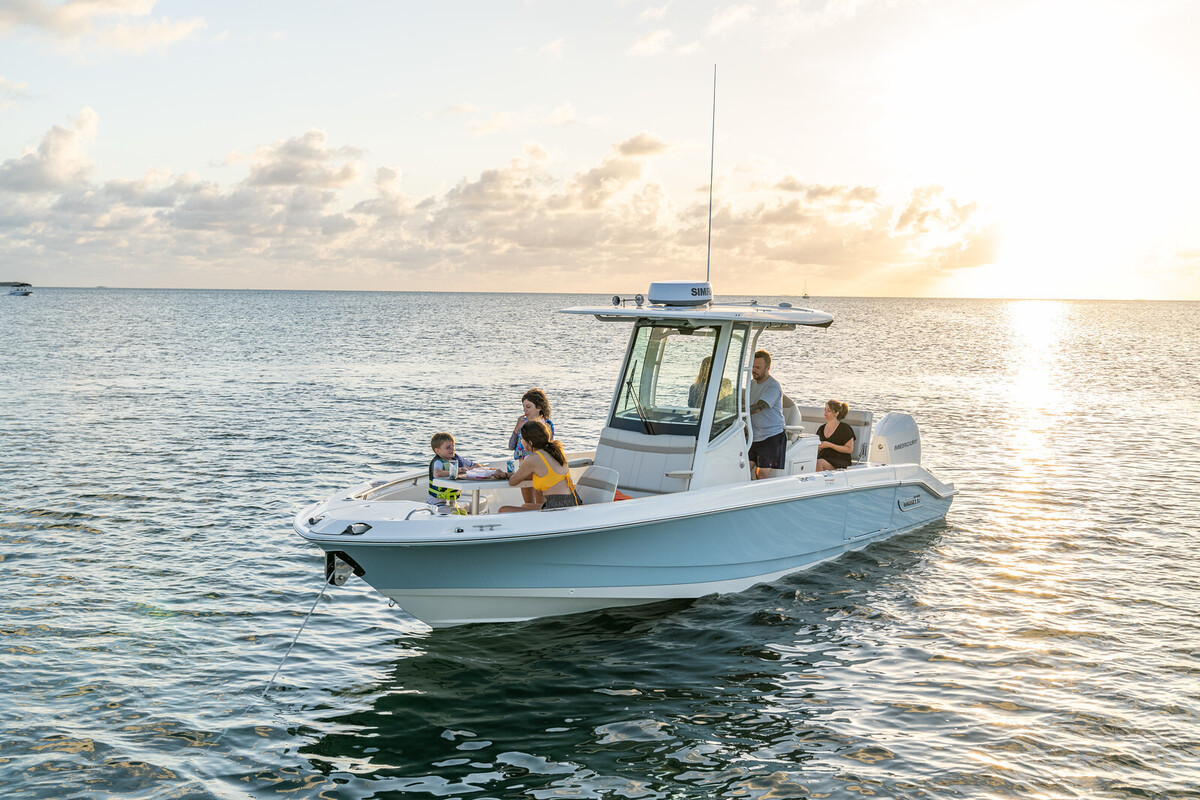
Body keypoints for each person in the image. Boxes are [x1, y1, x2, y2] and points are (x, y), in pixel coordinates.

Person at [499, 420, 580, 512]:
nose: (521, 442)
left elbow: (513, 482)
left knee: (503, 510)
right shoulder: (556, 451)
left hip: (556, 507)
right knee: (525, 505)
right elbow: (530, 476)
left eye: (522, 439)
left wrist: (505, 475)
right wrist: (505, 475)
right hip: (572, 501)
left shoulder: (533, 458)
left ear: (530, 442)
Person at [428, 432, 503, 513]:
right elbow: (437, 473)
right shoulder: (438, 462)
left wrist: (467, 470)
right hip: (436, 504)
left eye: (453, 446)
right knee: (457, 515)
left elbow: (477, 466)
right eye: (448, 447)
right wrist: (458, 470)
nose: (452, 449)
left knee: (463, 513)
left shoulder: (457, 459)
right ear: (437, 451)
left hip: (452, 503)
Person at [508, 388, 555, 507]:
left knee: (540, 501)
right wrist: (516, 428)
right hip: (523, 467)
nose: (525, 410)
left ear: (539, 407)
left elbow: (546, 448)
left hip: (538, 469)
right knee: (528, 503)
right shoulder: (522, 424)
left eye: (528, 407)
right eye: (523, 407)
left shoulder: (546, 425)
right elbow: (511, 446)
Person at [748, 349, 786, 479]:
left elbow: (759, 407)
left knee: (761, 473)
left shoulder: (773, 386)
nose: (754, 370)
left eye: (758, 367)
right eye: (752, 366)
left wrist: (738, 412)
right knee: (743, 469)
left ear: (768, 368)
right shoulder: (751, 384)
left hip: (771, 436)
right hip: (754, 435)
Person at [816, 399, 855, 471]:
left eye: (829, 411)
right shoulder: (821, 428)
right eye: (825, 410)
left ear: (836, 413)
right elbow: (818, 449)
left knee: (819, 463)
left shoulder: (845, 428)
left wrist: (830, 445)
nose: (825, 413)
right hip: (823, 458)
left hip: (839, 461)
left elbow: (849, 449)